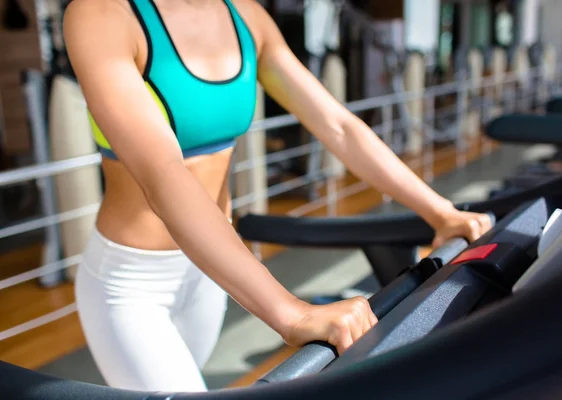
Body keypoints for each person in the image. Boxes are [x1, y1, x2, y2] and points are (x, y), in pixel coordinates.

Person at [63, 0, 492, 393]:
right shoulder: (103, 16)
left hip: (208, 274)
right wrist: (292, 314)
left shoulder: (245, 17)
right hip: (132, 285)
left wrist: (440, 212)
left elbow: (337, 127)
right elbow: (163, 175)